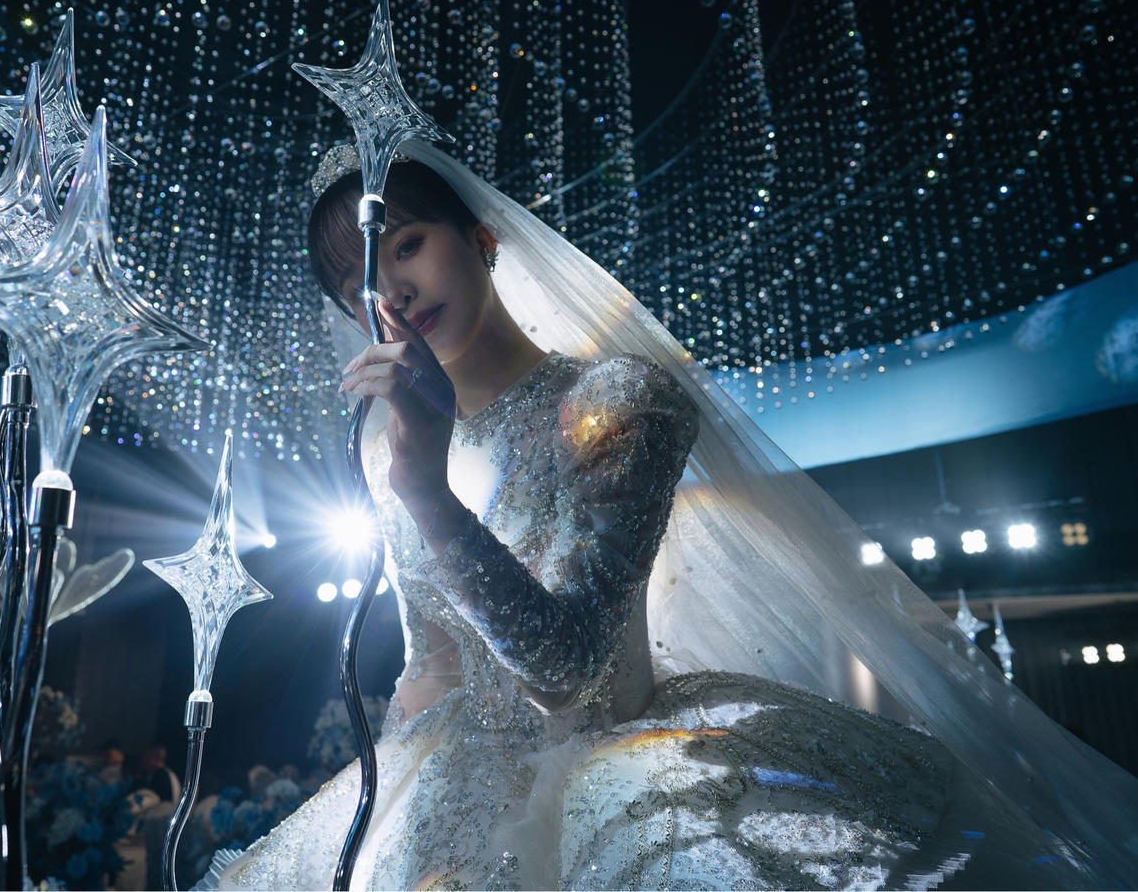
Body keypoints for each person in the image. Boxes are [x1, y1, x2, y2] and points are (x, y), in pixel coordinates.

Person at [213, 144, 1138, 890]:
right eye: (359, 286)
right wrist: (379, 813)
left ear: (484, 239)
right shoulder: (390, 458)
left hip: (620, 778)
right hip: (451, 795)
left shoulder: (615, 403)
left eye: (407, 244)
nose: (392, 291)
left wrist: (429, 491)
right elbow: (433, 665)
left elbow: (568, 673)